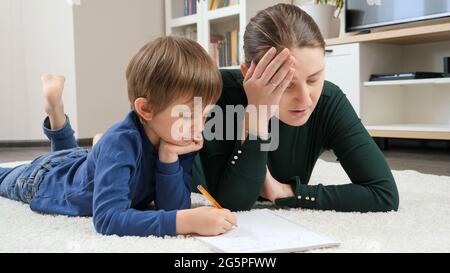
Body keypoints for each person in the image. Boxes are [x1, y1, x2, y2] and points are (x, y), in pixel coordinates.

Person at [0, 36, 237, 237]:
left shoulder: (179, 139)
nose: (198, 127)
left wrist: (168, 159)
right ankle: (56, 112)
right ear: (146, 109)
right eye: (187, 116)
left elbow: (172, 206)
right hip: (45, 179)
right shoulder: (119, 144)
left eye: (205, 116)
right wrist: (187, 223)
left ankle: (56, 112)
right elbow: (106, 219)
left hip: (86, 161)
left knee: (75, 158)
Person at [193, 4, 399, 212]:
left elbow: (383, 193)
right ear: (248, 74)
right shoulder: (216, 93)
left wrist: (287, 192)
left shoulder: (328, 100)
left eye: (313, 79)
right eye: (287, 84)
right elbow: (233, 203)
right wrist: (258, 115)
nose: (305, 99)